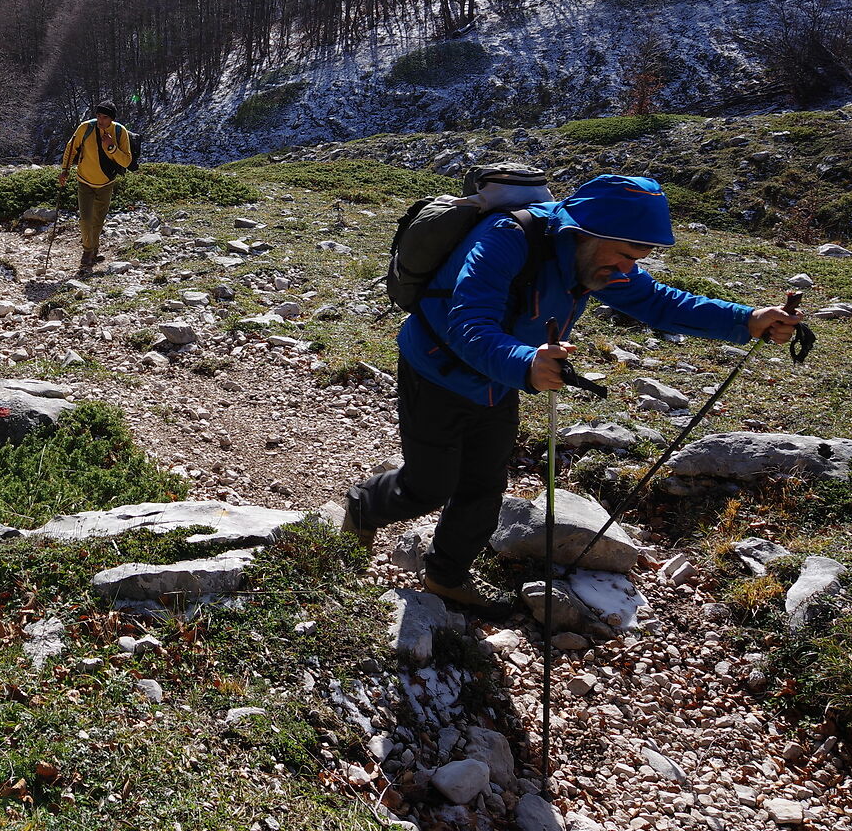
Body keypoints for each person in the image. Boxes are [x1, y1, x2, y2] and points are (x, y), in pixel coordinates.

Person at [340, 173, 804, 619]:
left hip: (500, 381)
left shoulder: (595, 257)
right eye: (624, 255)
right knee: (430, 484)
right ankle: (365, 504)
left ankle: (447, 575)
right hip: (437, 371)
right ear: (584, 232)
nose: (627, 269)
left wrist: (746, 320)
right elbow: (468, 324)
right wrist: (526, 363)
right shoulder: (506, 239)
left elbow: (658, 301)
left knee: (484, 485)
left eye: (636, 258)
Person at [59, 102, 137, 274]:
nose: (100, 120)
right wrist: (65, 170)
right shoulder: (85, 128)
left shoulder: (119, 132)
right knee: (85, 219)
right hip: (84, 180)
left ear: (112, 119)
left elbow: (126, 161)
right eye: (98, 116)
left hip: (106, 183)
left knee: (98, 221)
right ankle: (87, 251)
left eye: (105, 117)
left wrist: (110, 147)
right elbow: (70, 148)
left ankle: (94, 249)